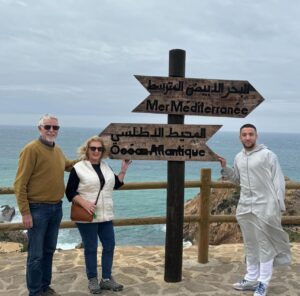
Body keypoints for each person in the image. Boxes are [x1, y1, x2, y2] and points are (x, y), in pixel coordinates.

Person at [218, 123, 291, 296]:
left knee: (265, 245)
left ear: (256, 136)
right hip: (245, 207)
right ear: (240, 137)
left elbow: (278, 181)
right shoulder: (238, 157)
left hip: (265, 206)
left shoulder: (268, 155)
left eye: (251, 134)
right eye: (244, 134)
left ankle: (263, 283)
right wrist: (225, 167)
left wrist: (278, 206)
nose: (248, 137)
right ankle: (251, 278)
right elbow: (237, 180)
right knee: (250, 244)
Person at [14, 114, 76, 296]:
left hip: (56, 207)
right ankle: (35, 291)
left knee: (48, 251)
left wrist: (90, 157)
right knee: (36, 255)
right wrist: (25, 212)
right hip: (37, 209)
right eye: (47, 127)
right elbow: (19, 184)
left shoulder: (57, 150)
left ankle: (44, 287)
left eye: (55, 127)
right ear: (39, 128)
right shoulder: (31, 149)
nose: (51, 130)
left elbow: (68, 165)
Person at [65, 136, 131, 294]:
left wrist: (123, 169)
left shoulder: (105, 166)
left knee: (109, 245)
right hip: (87, 215)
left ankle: (107, 279)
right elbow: (70, 191)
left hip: (105, 215)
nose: (96, 151)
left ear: (103, 152)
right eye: (93, 148)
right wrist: (85, 203)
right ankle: (93, 279)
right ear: (87, 150)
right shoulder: (78, 168)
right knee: (91, 248)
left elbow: (116, 184)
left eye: (99, 149)